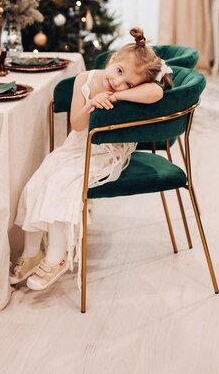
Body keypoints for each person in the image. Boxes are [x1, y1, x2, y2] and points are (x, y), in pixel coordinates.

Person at [10, 27, 173, 291]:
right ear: (113, 59)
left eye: (129, 83)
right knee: (36, 183)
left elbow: (156, 94)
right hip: (76, 146)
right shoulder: (84, 79)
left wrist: (118, 96)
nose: (119, 83)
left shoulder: (130, 89)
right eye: (119, 72)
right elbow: (76, 124)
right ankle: (31, 253)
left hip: (107, 151)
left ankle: (57, 256)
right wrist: (92, 103)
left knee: (62, 184)